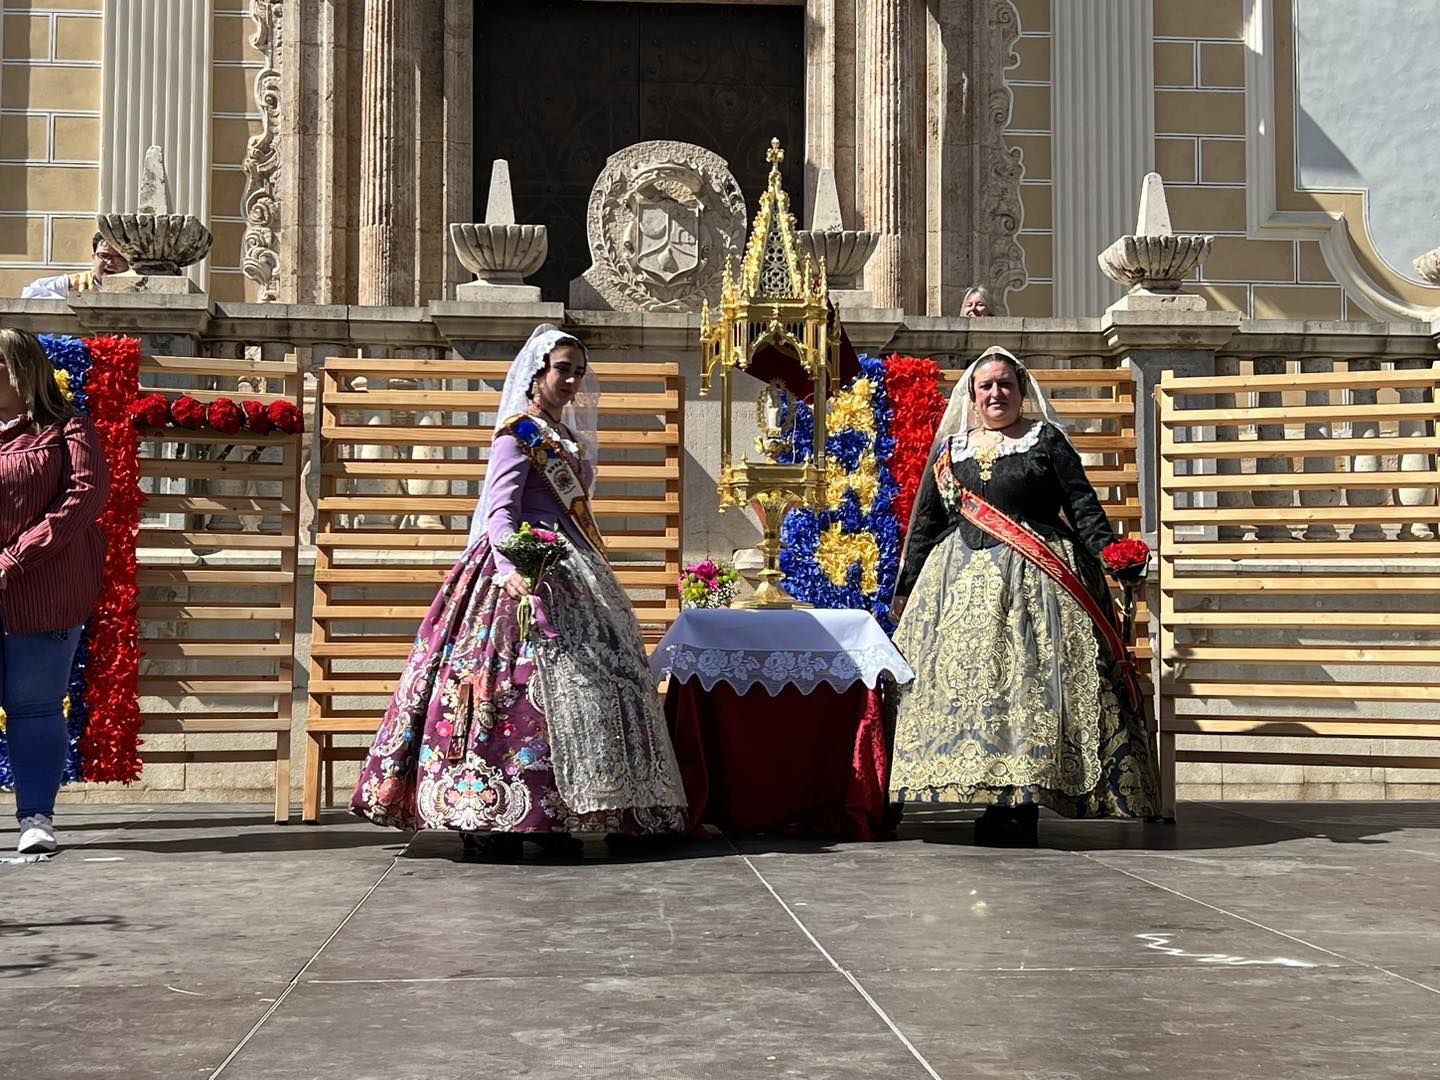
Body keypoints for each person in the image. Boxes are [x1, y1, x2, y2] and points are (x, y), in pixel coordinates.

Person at [351, 324, 687, 859]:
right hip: (519, 567)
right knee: (506, 686)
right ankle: (492, 815)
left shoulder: (564, 437)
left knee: (591, 682)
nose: (571, 381)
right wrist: (512, 568)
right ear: (537, 372)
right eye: (563, 370)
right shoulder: (517, 434)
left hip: (571, 567)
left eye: (578, 372)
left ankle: (567, 813)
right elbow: (501, 511)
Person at [890, 346, 1159, 845]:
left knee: (1027, 691)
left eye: (1005, 384)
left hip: (1036, 587)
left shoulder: (1045, 441)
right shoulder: (951, 451)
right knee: (972, 696)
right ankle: (983, 794)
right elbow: (927, 522)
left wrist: (1114, 556)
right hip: (955, 589)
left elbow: (1082, 507)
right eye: (986, 386)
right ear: (972, 396)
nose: (996, 393)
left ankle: (1022, 803)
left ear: (1021, 391)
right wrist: (906, 589)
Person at [0, 329, 109, 855]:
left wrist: (16, 557)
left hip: (45, 590)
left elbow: (84, 497)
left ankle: (36, 817)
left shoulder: (68, 429)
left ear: (20, 371)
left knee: (34, 706)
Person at [21, 233, 129, 299]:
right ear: (93, 258)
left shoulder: (134, 286)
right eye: (104, 256)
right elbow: (31, 293)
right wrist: (71, 304)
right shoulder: (74, 283)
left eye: (119, 257)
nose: (110, 263)